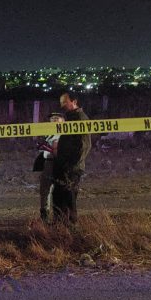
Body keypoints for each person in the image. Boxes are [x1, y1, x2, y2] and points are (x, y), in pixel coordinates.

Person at [52, 92, 91, 224]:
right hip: (64, 166)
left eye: (65, 102)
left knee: (69, 198)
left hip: (72, 168)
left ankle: (71, 227)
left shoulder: (80, 118)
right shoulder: (70, 118)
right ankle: (60, 225)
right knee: (58, 196)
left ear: (74, 101)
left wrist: (72, 166)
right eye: (61, 102)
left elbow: (85, 146)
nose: (62, 105)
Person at [33, 113, 65, 223]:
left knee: (58, 190)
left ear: (63, 121)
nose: (54, 120)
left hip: (59, 164)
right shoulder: (47, 133)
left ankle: (58, 216)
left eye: (57, 118)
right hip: (48, 163)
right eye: (52, 119)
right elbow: (40, 147)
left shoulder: (65, 133)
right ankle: (44, 215)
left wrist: (53, 149)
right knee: (45, 189)